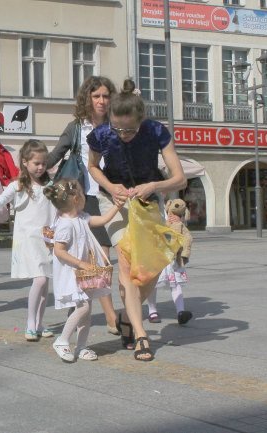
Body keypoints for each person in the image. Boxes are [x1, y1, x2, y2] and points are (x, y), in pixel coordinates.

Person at [87, 79, 186, 361]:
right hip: (115, 201)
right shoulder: (102, 134)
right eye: (118, 128)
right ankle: (141, 334)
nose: (124, 134)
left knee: (151, 268)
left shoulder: (156, 131)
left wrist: (154, 186)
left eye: (130, 129)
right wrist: (110, 185)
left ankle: (126, 317)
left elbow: (179, 177)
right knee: (129, 266)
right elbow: (93, 167)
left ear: (140, 120)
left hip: (148, 200)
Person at [47, 76, 119, 335]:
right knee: (99, 258)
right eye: (96, 96)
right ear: (87, 99)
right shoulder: (77, 127)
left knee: (103, 259)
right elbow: (55, 154)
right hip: (84, 198)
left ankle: (81, 310)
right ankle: (111, 317)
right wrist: (33, 172)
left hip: (109, 195)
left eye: (105, 96)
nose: (101, 100)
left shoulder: (115, 126)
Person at [0, 140, 56, 341]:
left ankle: (39, 323)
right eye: (36, 163)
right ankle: (30, 323)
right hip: (28, 239)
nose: (40, 167)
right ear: (25, 162)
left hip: (47, 238)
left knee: (45, 284)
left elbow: (59, 209)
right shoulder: (17, 186)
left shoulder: (50, 185)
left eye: (43, 163)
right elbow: (0, 201)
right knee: (40, 279)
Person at [44, 179, 122, 362]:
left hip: (83, 274)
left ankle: (81, 346)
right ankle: (62, 340)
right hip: (71, 273)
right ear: (75, 198)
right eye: (82, 193)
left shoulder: (81, 217)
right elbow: (59, 251)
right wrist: (80, 263)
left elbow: (100, 220)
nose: (85, 196)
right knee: (83, 307)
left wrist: (117, 207)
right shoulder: (64, 225)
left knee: (86, 311)